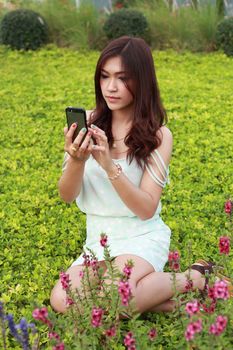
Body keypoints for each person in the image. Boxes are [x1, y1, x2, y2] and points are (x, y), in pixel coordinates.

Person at [50, 36, 231, 314]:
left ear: (142, 81)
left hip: (141, 236)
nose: (111, 87)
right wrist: (76, 160)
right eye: (105, 76)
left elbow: (146, 208)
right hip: (97, 239)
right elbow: (66, 195)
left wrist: (110, 167)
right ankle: (183, 298)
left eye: (123, 78)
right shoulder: (87, 122)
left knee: (113, 298)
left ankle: (191, 278)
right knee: (62, 299)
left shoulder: (158, 136)